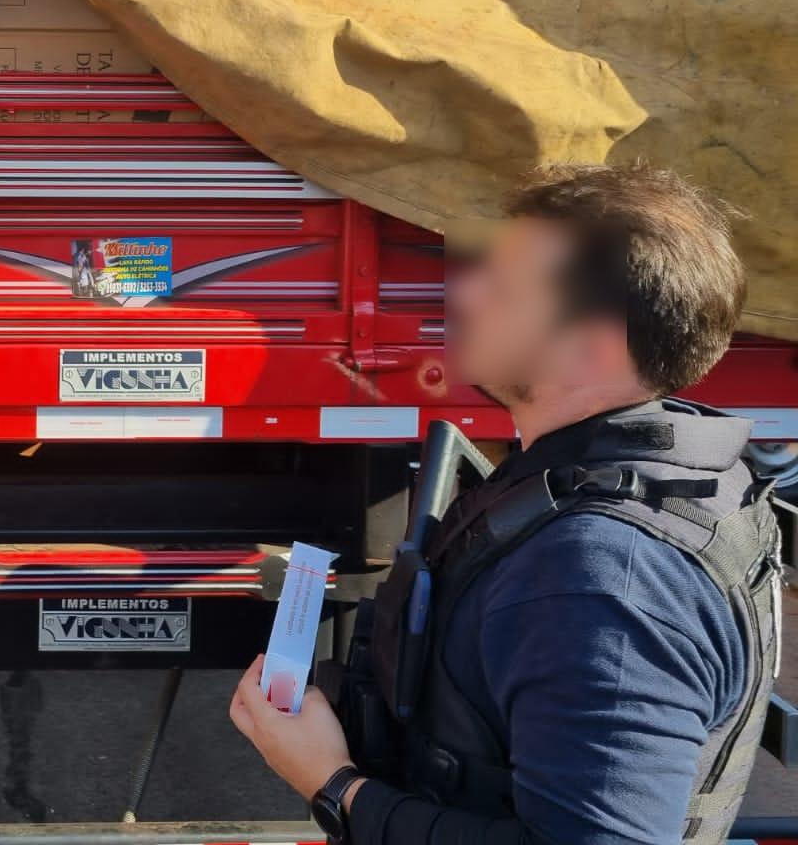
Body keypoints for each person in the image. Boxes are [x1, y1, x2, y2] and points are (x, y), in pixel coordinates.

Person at [229, 163, 781, 844]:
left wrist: (336, 786)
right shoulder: (626, 473)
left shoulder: (603, 580)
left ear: (591, 347)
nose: (465, 293)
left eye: (505, 285)